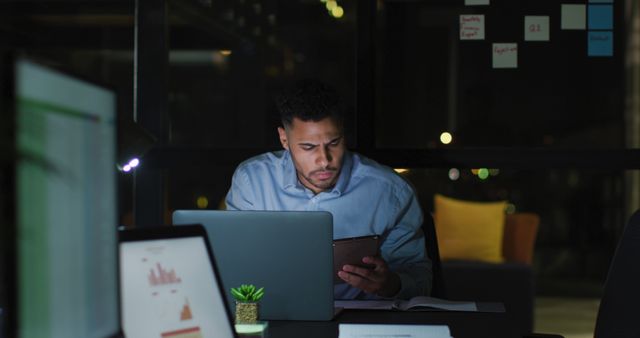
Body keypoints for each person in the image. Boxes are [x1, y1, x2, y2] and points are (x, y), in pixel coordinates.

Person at [225, 79, 431, 300]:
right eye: (308, 147)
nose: (324, 160)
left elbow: (421, 280)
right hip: (275, 312)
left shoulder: (391, 192)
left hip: (359, 321)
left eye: (334, 142)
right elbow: (234, 263)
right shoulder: (252, 181)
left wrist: (392, 284)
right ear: (284, 139)